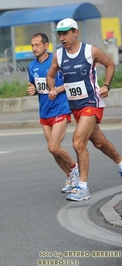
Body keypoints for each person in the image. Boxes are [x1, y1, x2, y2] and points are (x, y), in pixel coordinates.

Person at [47, 18, 122, 201]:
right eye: (59, 34)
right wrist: (52, 88)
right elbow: (50, 74)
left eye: (65, 33)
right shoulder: (59, 55)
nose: (62, 37)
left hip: (92, 103)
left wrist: (106, 86)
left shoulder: (91, 51)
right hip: (75, 107)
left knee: (78, 142)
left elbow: (110, 64)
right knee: (99, 142)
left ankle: (83, 187)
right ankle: (121, 164)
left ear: (75, 32)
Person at [27, 33, 79, 193]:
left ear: (46, 45)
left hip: (60, 108)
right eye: (32, 45)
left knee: (53, 146)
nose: (34, 48)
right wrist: (33, 89)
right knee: (53, 151)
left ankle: (76, 170)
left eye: (37, 45)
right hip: (44, 112)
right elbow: (34, 85)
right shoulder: (32, 66)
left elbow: (70, 82)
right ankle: (70, 176)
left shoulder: (56, 61)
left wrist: (56, 90)